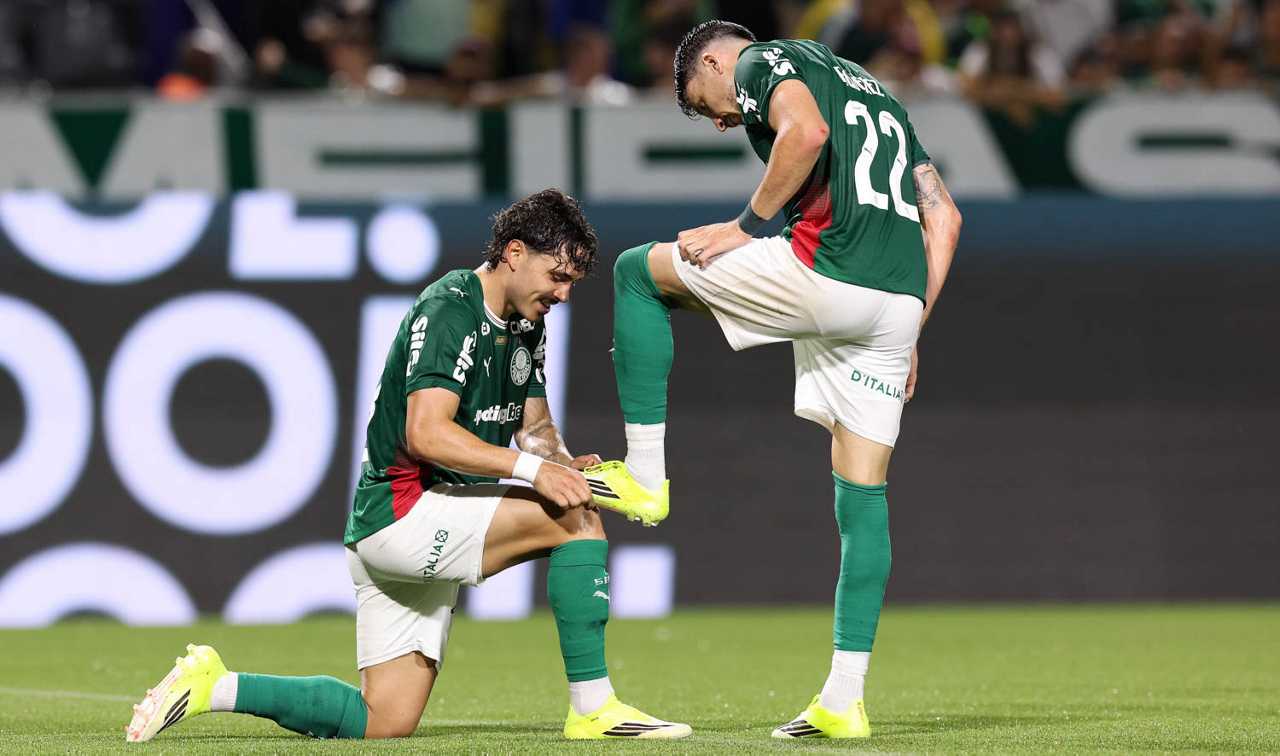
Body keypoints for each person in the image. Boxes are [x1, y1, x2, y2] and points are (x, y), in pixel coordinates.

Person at [125, 189, 691, 742]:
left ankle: (215, 686)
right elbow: (426, 433)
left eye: (571, 282)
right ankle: (593, 709)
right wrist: (536, 473)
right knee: (577, 519)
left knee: (384, 721)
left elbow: (535, 429)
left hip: (403, 523)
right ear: (515, 254)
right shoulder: (450, 310)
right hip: (406, 512)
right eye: (558, 277)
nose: (564, 295)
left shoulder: (526, 320)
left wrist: (563, 463)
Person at [594, 20, 962, 739]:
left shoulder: (766, 61)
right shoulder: (884, 98)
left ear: (712, 60)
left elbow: (807, 134)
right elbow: (943, 218)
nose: (722, 121)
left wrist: (741, 227)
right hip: (895, 306)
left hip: (827, 271)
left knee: (637, 274)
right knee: (862, 495)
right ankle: (843, 699)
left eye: (705, 104)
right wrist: (911, 324)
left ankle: (644, 477)